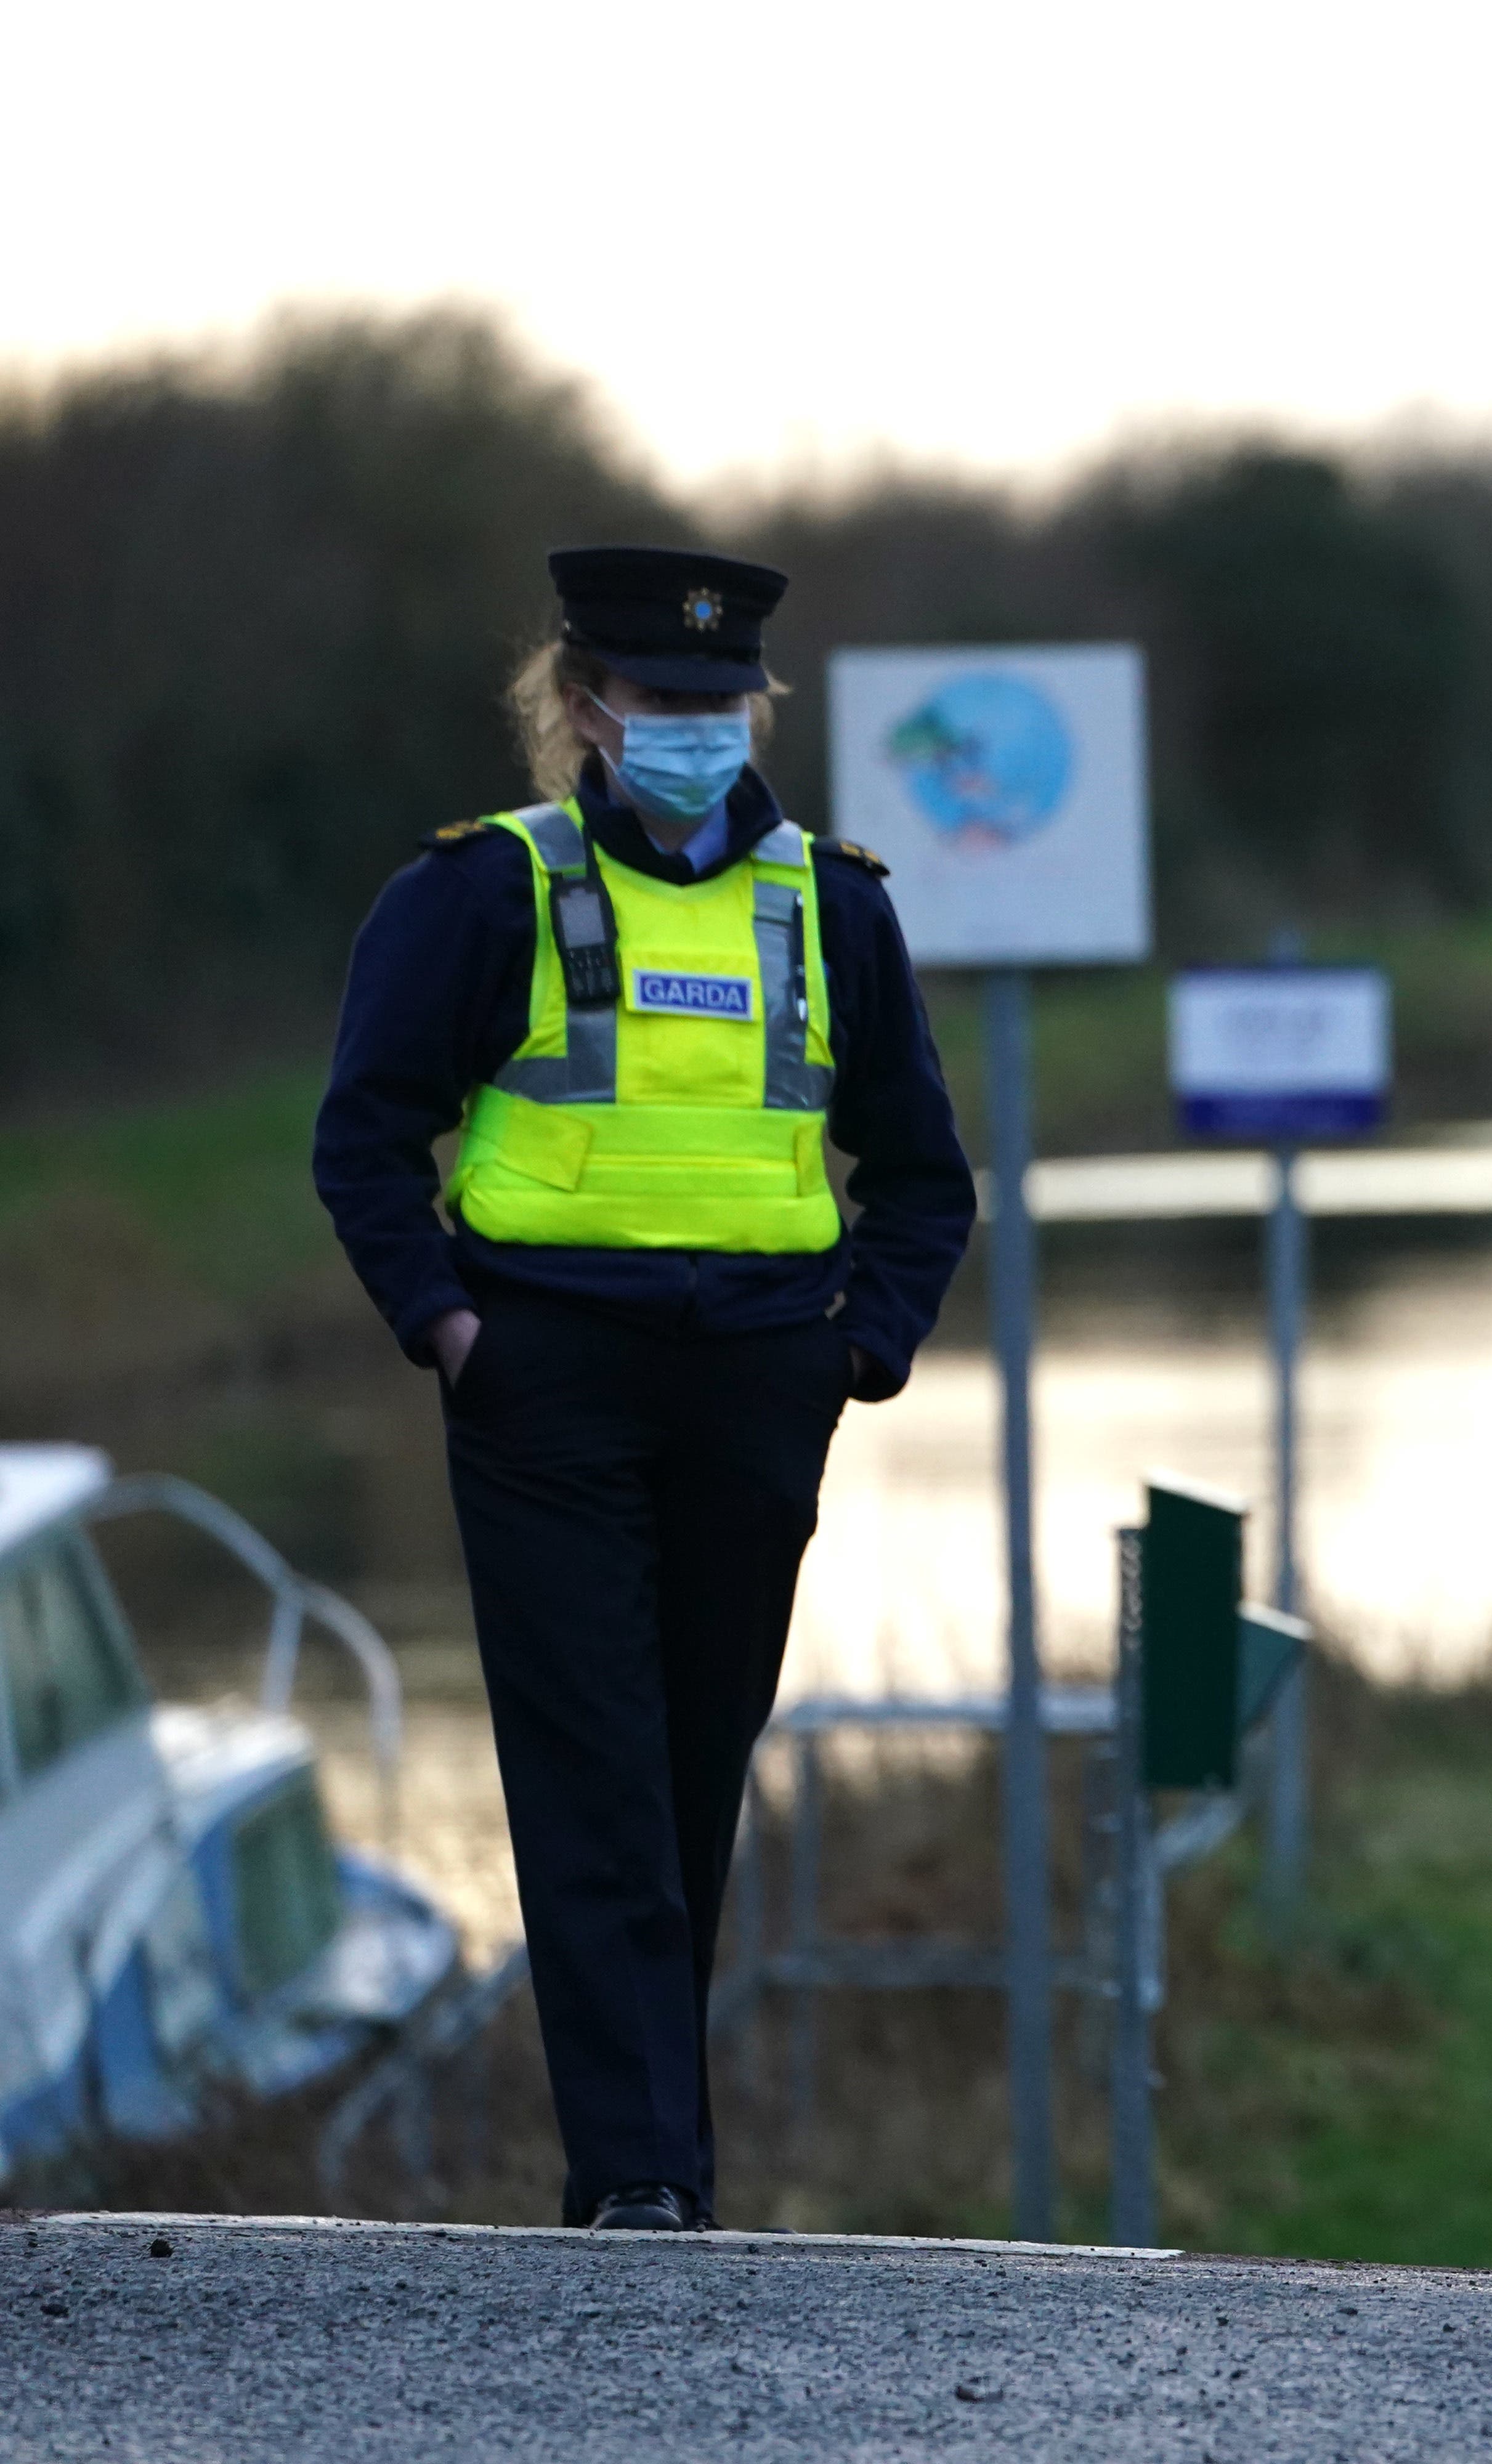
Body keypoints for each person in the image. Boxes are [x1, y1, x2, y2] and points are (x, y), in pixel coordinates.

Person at [313, 546, 974, 2230]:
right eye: (658, 700)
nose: (691, 728)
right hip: (550, 1381)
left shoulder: (836, 904)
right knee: (592, 1763)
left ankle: (653, 2164)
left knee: (689, 1771)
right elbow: (366, 1140)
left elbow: (924, 1178)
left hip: (760, 1384)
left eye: (718, 702)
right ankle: (643, 2180)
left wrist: (857, 1351)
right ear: (585, 708)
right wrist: (451, 1333)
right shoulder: (481, 891)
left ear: (755, 709)